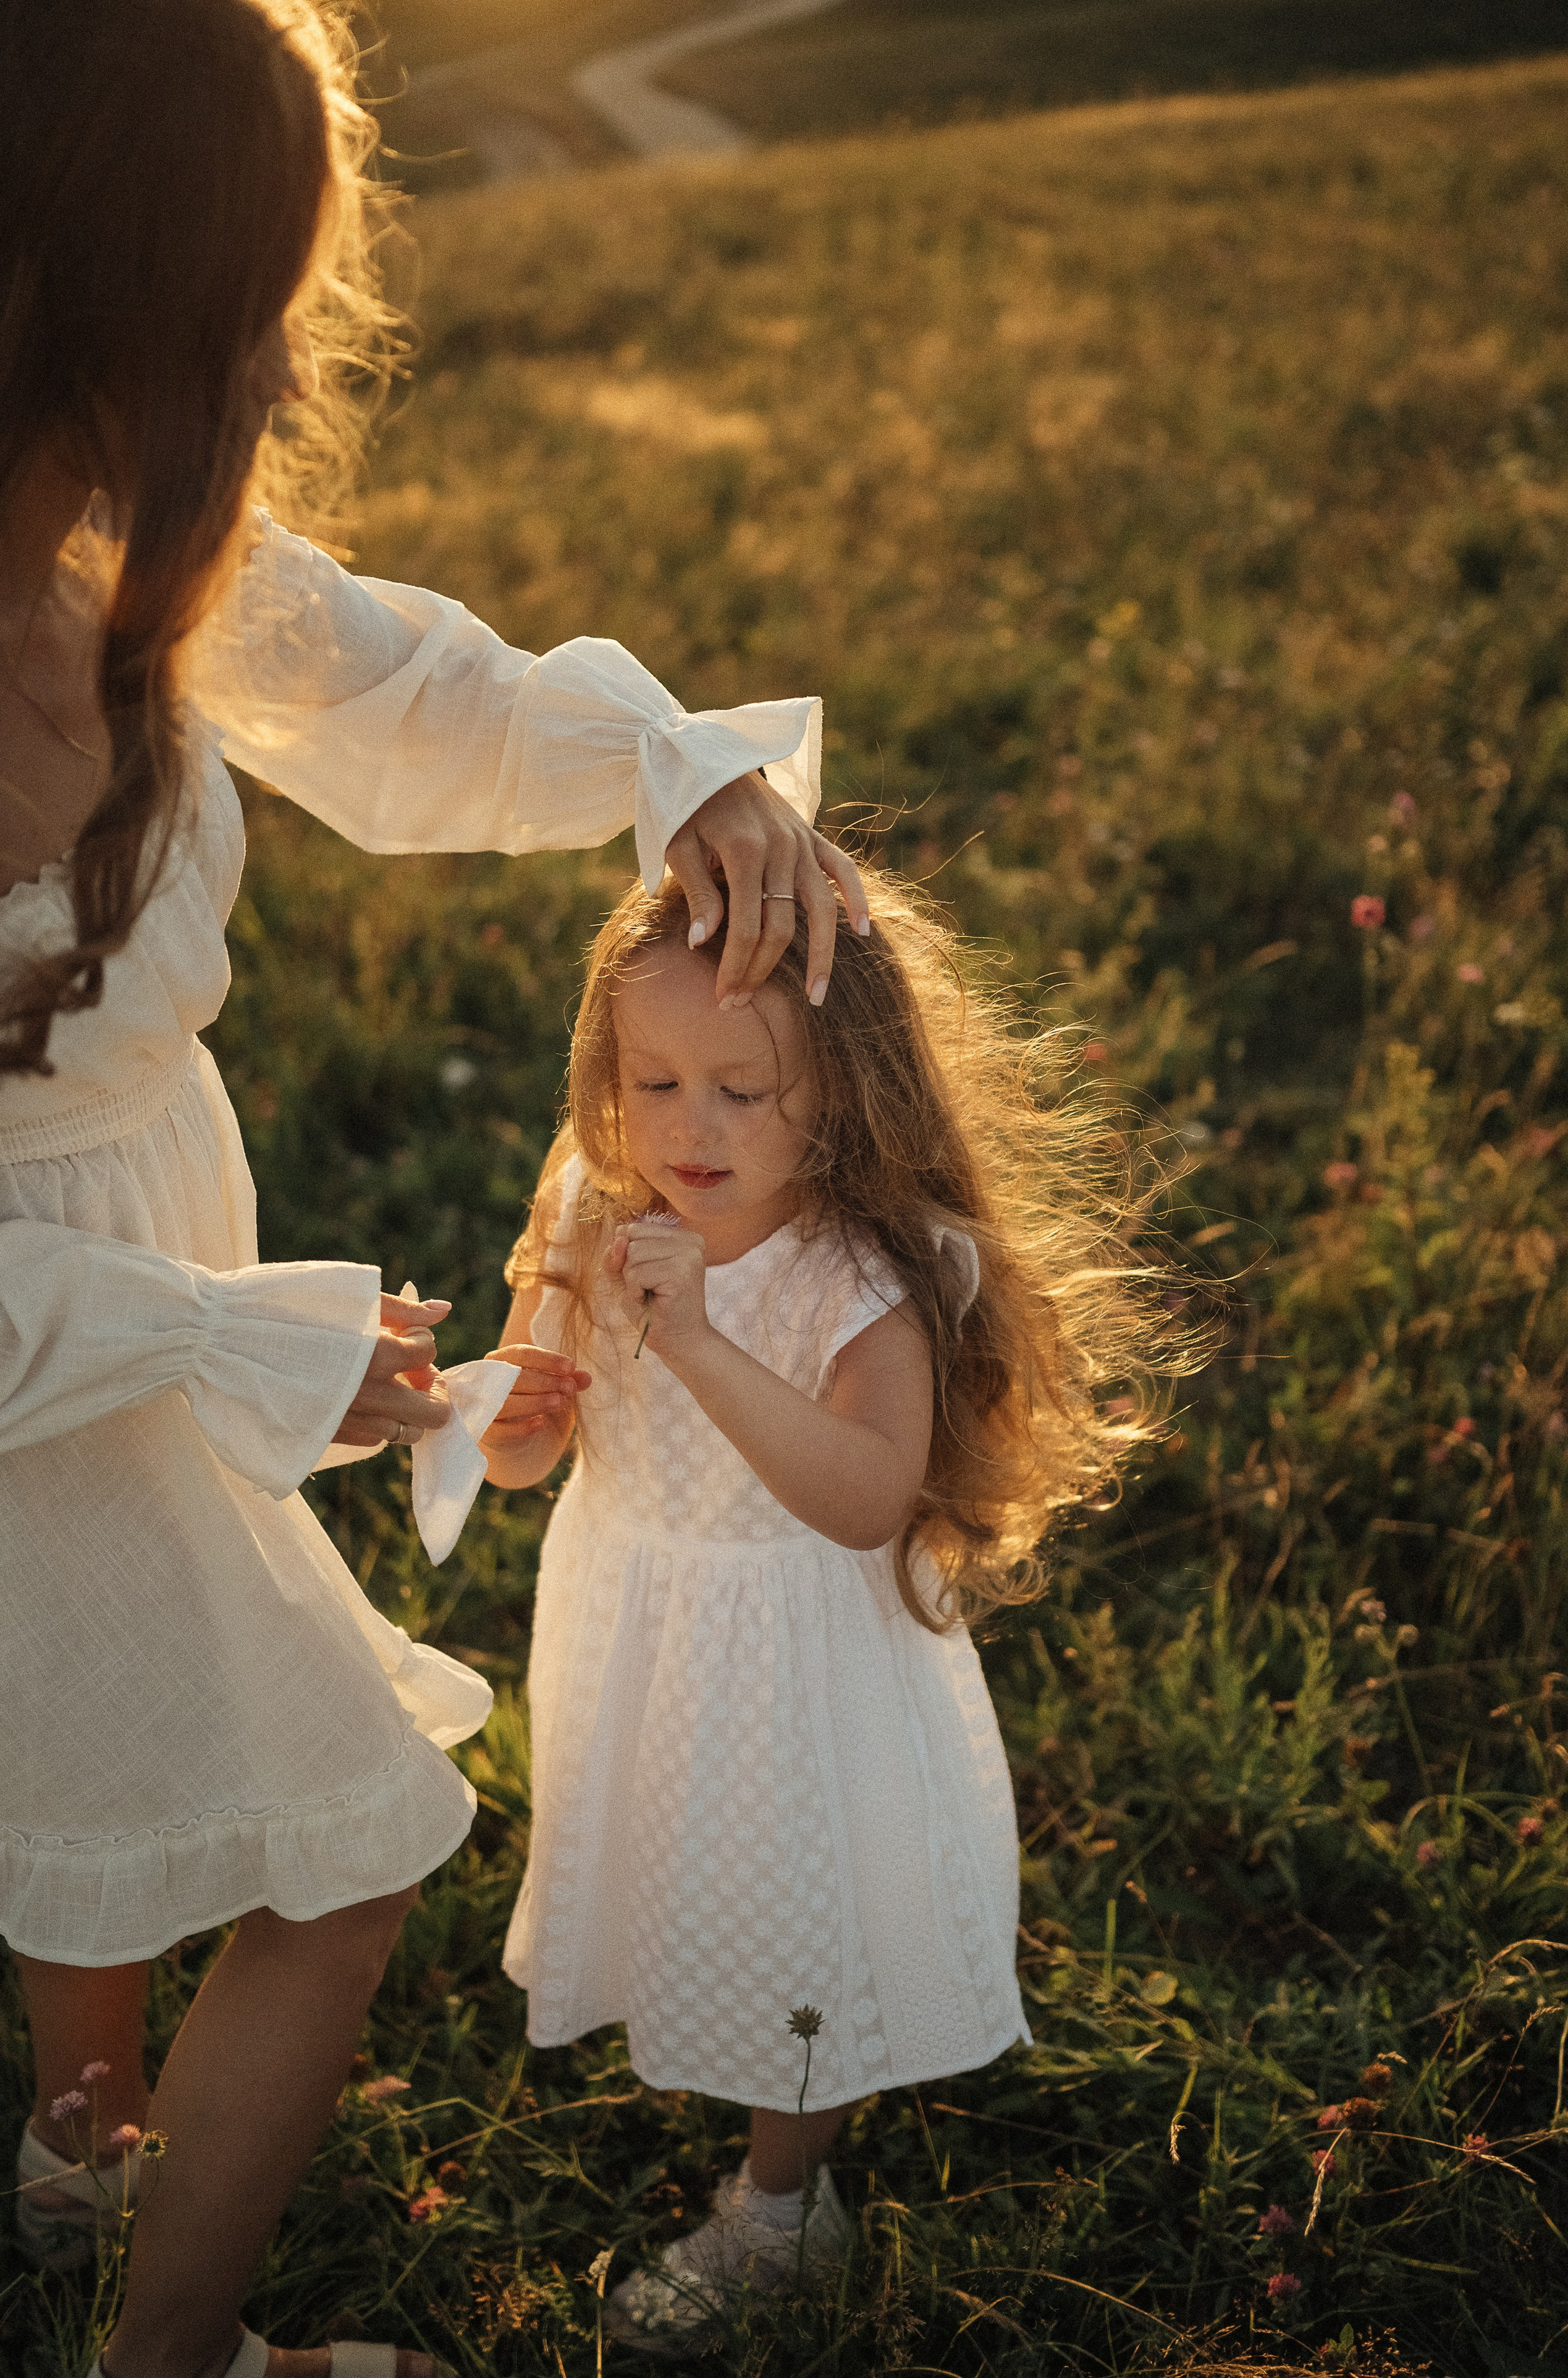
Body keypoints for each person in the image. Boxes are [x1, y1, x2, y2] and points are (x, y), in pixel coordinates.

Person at [0, 3, 866, 2373]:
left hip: (132, 1276)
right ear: (91, 310)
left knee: (79, 1732)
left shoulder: (133, 557)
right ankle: (174, 2354)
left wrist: (677, 765)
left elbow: (413, 700)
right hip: (48, 1356)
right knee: (354, 1841)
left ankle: (84, 2147)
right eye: (241, 315)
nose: (286, 376)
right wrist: (224, 1339)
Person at [479, 871, 1189, 2352]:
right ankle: (703, 2030)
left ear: (842, 1092)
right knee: (681, 1864)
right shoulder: (592, 1204)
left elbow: (866, 1495)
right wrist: (516, 1418)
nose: (690, 1127)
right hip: (638, 1621)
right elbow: (524, 1433)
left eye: (743, 1090)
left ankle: (782, 2206)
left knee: (794, 1917)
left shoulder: (855, 1273)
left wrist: (693, 1341)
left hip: (793, 1663)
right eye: (653, 1083)